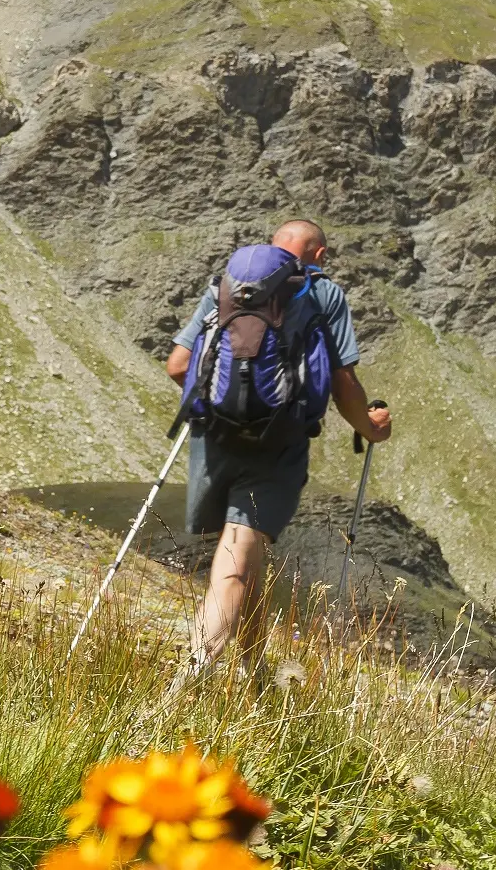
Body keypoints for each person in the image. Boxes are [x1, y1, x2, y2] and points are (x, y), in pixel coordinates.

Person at [165, 219, 393, 677]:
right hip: (275, 445)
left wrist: (227, 403)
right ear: (320, 255)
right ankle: (194, 673)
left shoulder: (228, 284)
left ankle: (254, 671)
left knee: (250, 553)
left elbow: (178, 365)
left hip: (215, 439)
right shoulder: (322, 293)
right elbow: (344, 385)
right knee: (236, 555)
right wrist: (371, 429)